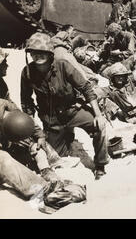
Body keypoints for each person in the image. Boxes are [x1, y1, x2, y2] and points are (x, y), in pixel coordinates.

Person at [20, 33, 109, 180]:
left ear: (49, 54)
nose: (38, 56)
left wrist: (98, 115)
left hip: (73, 112)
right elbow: (26, 102)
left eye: (42, 52)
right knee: (57, 159)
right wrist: (34, 133)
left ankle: (100, 165)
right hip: (52, 120)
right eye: (34, 53)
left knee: (99, 126)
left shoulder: (63, 66)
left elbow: (86, 88)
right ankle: (67, 137)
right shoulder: (27, 73)